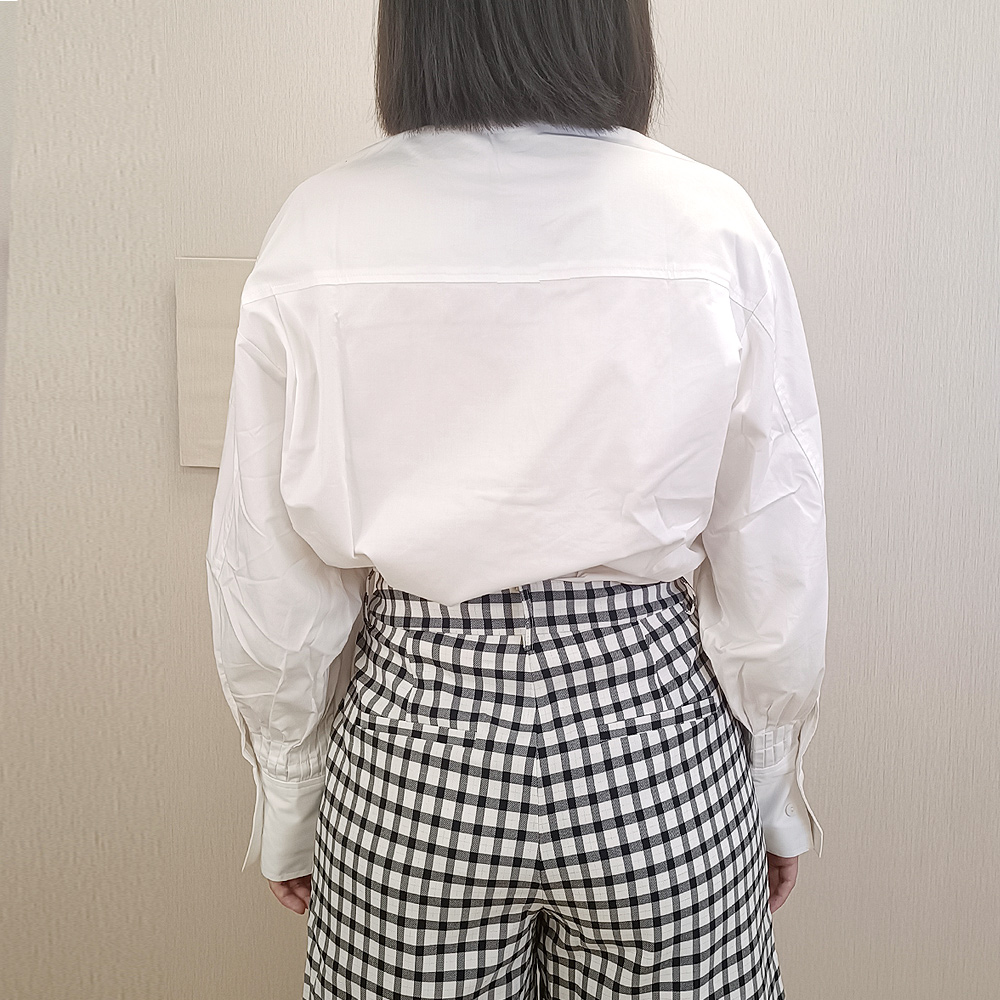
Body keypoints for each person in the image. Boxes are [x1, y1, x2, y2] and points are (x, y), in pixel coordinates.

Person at [205, 1, 828, 996]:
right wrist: (773, 781)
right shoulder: (711, 223)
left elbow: (268, 559)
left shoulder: (321, 228)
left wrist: (289, 788)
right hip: (651, 739)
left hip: (416, 744)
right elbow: (771, 534)